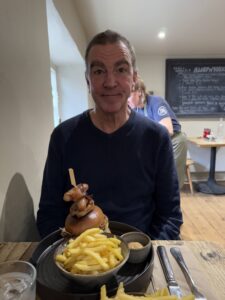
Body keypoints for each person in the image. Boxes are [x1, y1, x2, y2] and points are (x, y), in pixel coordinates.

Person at [36, 30, 183, 240]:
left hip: (140, 253)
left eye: (121, 69)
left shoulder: (156, 138)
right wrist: (74, 256)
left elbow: (170, 217)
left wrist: (144, 253)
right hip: (80, 262)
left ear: (134, 79)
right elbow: (48, 216)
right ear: (88, 80)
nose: (110, 82)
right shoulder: (63, 137)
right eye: (98, 71)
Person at [128, 78, 187, 189]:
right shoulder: (135, 110)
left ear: (139, 92)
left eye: (128, 96)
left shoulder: (156, 102)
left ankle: (173, 206)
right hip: (157, 144)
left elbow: (168, 130)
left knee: (172, 182)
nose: (126, 100)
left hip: (174, 142)